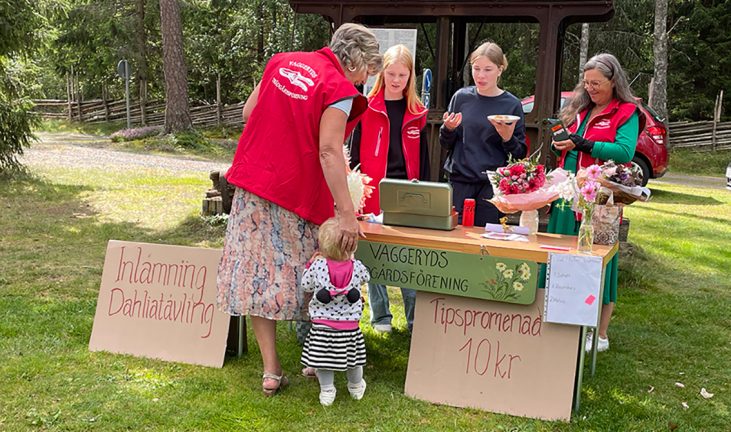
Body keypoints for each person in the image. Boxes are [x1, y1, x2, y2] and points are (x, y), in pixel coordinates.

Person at [216, 23, 382, 396]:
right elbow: (329, 150)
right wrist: (346, 213)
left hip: (254, 186)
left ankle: (271, 370)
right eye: (366, 72)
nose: (363, 82)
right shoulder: (338, 89)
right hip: (296, 194)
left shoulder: (281, 61)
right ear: (354, 61)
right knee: (311, 272)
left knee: (258, 274)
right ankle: (315, 358)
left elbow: (248, 112)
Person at [549, 52, 644, 353]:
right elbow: (569, 143)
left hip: (602, 197)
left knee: (601, 260)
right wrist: (560, 143)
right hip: (569, 192)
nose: (590, 88)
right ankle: (563, 322)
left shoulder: (627, 112)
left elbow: (625, 152)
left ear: (614, 81)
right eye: (587, 82)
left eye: (597, 83)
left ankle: (599, 333)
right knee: (562, 255)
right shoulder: (578, 108)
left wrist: (584, 143)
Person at [350, 44, 429, 333]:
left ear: (411, 78)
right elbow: (354, 154)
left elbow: (424, 159)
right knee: (374, 257)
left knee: (408, 259)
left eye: (402, 75)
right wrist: (355, 189)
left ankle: (414, 320)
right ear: (382, 74)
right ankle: (381, 317)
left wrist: (425, 193)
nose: (396, 80)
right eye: (391, 74)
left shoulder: (418, 112)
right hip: (372, 190)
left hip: (406, 192)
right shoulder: (366, 107)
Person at [439, 41, 527, 226]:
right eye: (476, 68)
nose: (480, 75)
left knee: (485, 239)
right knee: (454, 234)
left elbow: (519, 154)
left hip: (492, 186)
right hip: (459, 181)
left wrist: (507, 138)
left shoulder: (511, 104)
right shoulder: (461, 97)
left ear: (500, 69)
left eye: (488, 69)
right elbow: (446, 144)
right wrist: (448, 129)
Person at [299, 218, 371, 406]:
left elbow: (305, 285)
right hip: (350, 327)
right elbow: (367, 277)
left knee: (323, 360)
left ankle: (327, 390)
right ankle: (355, 386)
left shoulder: (318, 266)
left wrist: (309, 265)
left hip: (323, 325)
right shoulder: (357, 267)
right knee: (354, 360)